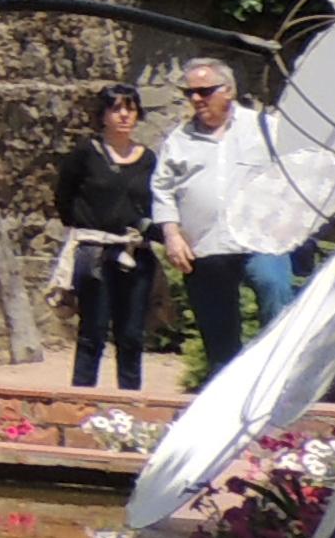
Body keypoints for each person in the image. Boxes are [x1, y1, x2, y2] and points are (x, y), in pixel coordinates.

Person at [155, 58, 308, 366]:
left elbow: (296, 172)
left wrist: (289, 220)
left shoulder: (265, 129)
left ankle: (276, 372)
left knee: (274, 289)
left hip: (260, 240)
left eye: (204, 91)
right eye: (190, 93)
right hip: (205, 246)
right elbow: (162, 189)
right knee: (218, 333)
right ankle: (224, 395)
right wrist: (171, 235)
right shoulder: (178, 141)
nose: (196, 99)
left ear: (228, 90)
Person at [51, 84, 163, 391]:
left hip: (134, 252)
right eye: (116, 108)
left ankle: (130, 402)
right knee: (93, 331)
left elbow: (154, 203)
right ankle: (80, 402)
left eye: (130, 108)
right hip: (95, 252)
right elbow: (64, 197)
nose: (124, 115)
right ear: (102, 115)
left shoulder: (148, 159)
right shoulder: (86, 153)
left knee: (131, 334)